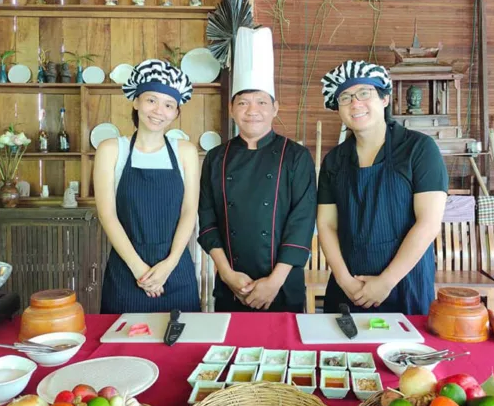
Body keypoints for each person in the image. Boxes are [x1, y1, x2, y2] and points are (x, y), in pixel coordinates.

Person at [198, 27, 316, 312]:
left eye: (262, 102)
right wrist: (227, 275)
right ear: (231, 109)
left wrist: (273, 282)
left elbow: (302, 224)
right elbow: (208, 221)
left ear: (275, 108)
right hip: (231, 285)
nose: (253, 110)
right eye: (243, 102)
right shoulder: (216, 158)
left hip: (283, 286)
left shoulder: (296, 156)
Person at [317, 60, 448, 314]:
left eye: (364, 93)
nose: (355, 103)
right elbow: (326, 224)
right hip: (347, 288)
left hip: (405, 287)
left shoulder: (419, 150)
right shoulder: (334, 160)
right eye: (345, 97)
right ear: (338, 108)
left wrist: (385, 282)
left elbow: (428, 223)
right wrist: (345, 280)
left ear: (384, 99)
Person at [95, 59, 201, 313]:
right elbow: (107, 215)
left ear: (176, 112)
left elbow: (189, 212)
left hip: (176, 269)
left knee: (183, 346)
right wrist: (139, 270)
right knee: (122, 345)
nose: (158, 111)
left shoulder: (185, 152)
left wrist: (169, 264)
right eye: (151, 100)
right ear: (136, 101)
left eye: (168, 104)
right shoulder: (111, 149)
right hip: (127, 270)